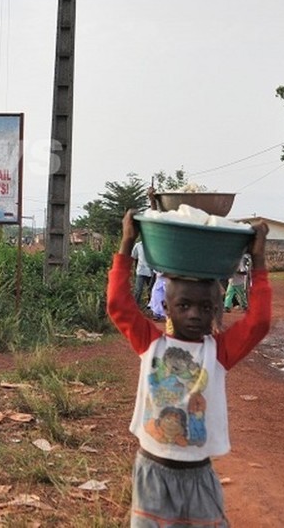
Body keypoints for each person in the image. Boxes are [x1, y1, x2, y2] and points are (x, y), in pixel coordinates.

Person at [107, 210, 271, 527]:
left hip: (198, 475)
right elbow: (119, 304)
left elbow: (259, 322)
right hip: (152, 473)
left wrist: (259, 261)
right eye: (184, 306)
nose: (195, 314)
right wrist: (126, 244)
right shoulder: (152, 344)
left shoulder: (219, 352)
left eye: (205, 307)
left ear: (216, 310)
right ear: (165, 307)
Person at [131, 239, 156, 309]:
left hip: (151, 271)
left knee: (151, 289)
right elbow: (134, 257)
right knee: (138, 290)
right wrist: (135, 269)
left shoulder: (153, 245)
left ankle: (151, 305)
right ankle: (134, 306)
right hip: (141, 271)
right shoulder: (138, 245)